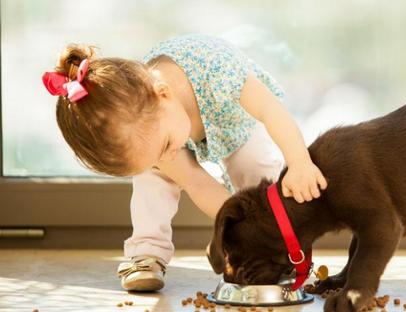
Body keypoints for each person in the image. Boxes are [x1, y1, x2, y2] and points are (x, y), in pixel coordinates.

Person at [43, 33, 327, 291]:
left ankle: (271, 247)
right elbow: (197, 182)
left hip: (234, 120)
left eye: (164, 147)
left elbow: (270, 111)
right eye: (154, 157)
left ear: (164, 94)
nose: (166, 159)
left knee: (255, 168)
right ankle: (147, 252)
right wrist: (231, 229)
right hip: (169, 126)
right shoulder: (153, 133)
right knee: (152, 181)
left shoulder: (219, 73)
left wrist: (299, 161)